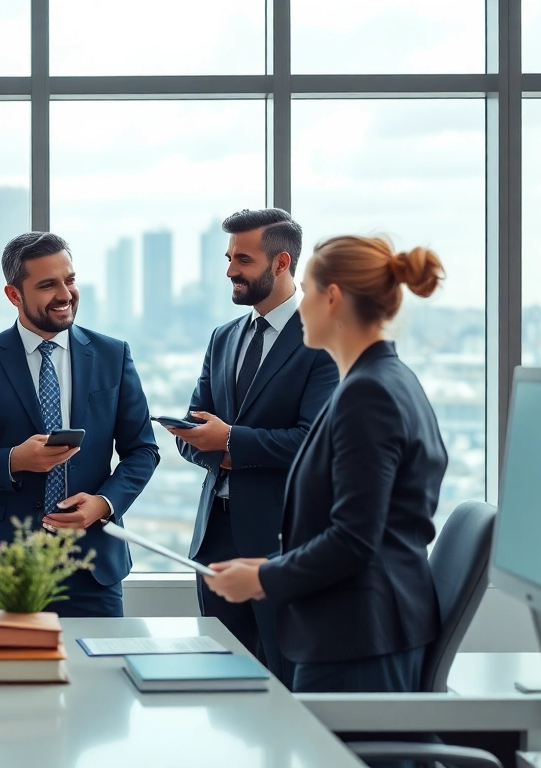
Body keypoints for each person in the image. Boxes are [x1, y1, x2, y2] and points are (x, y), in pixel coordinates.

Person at [205, 235, 448, 704]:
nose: (300, 310)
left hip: (358, 637)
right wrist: (271, 566)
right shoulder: (385, 379)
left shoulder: (368, 393)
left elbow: (355, 538)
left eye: (309, 293)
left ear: (332, 298)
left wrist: (263, 579)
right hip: (361, 628)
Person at [0, 232, 160, 618]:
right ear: (14, 295)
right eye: (47, 285)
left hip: (94, 563)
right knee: (16, 677)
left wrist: (104, 505)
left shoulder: (112, 354)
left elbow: (143, 450)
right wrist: (14, 460)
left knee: (99, 676)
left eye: (69, 280)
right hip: (8, 566)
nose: (65, 293)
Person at [167, 208, 338, 685]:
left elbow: (314, 442)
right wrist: (217, 447)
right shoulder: (224, 338)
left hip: (280, 542)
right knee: (221, 683)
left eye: (242, 259)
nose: (229, 271)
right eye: (228, 258)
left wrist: (230, 442)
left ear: (281, 263)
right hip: (214, 539)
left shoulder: (323, 339)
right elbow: (193, 430)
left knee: (281, 680)